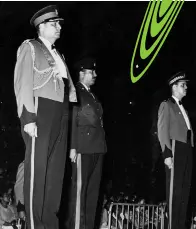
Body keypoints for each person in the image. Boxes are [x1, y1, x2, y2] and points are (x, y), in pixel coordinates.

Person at [13, 5, 77, 229]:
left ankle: (50, 224)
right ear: (41, 27)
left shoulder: (59, 54)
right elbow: (22, 84)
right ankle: (34, 224)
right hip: (40, 111)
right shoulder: (30, 47)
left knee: (55, 175)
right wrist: (28, 118)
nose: (59, 27)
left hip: (61, 113)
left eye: (59, 23)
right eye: (54, 23)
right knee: (37, 172)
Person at [67, 57, 107, 229]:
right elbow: (73, 119)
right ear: (81, 73)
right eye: (91, 72)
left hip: (97, 147)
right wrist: (73, 146)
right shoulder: (75, 91)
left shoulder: (91, 95)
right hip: (83, 147)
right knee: (79, 193)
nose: (95, 75)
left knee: (92, 194)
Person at [157, 72, 194, 229]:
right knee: (174, 194)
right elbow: (162, 130)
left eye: (186, 85)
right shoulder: (167, 105)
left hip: (187, 149)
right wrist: (167, 153)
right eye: (182, 85)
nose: (185, 87)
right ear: (174, 87)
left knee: (184, 194)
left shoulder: (183, 107)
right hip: (175, 148)